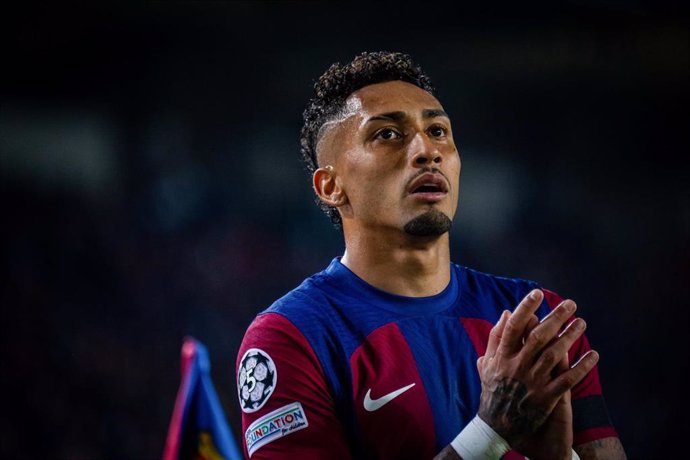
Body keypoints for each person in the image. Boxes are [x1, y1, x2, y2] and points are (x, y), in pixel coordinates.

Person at [235, 51, 626, 459]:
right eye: (387, 134)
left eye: (438, 131)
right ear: (331, 186)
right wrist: (490, 434)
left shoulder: (539, 320)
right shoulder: (292, 337)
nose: (427, 150)